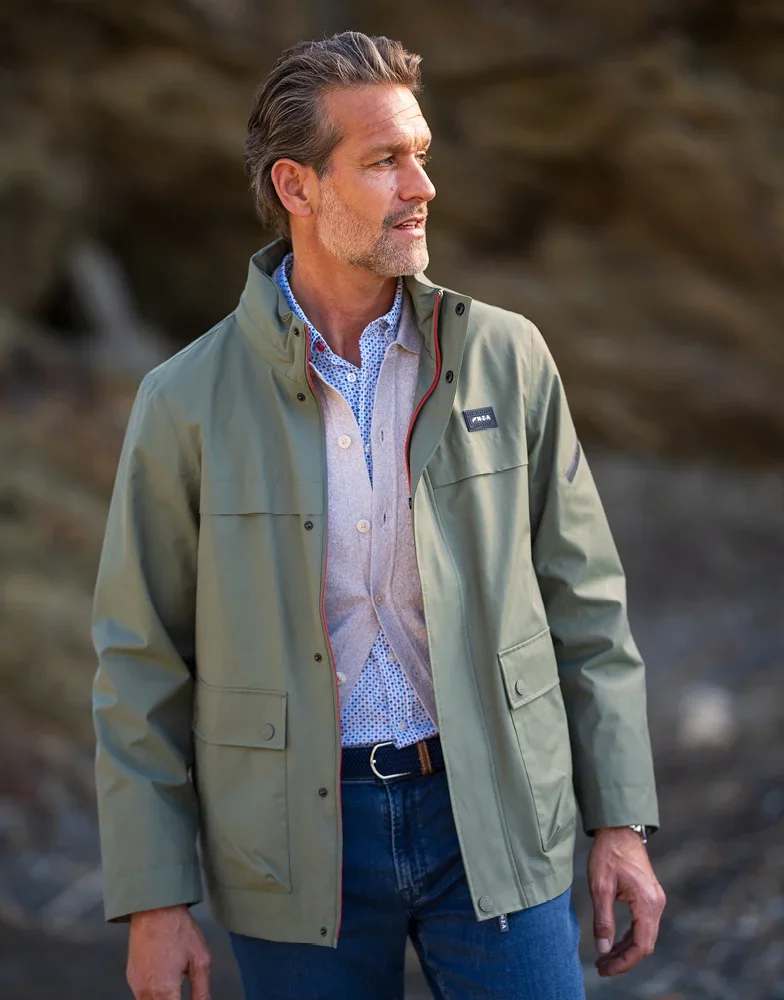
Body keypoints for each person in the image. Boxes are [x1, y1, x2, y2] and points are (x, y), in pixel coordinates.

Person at [91, 30, 665, 1000]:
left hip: (495, 815)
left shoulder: (505, 358)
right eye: (384, 161)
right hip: (289, 839)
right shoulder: (183, 399)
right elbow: (138, 655)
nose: (421, 187)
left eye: (422, 156)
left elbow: (586, 607)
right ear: (296, 187)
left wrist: (620, 822)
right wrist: (155, 901)